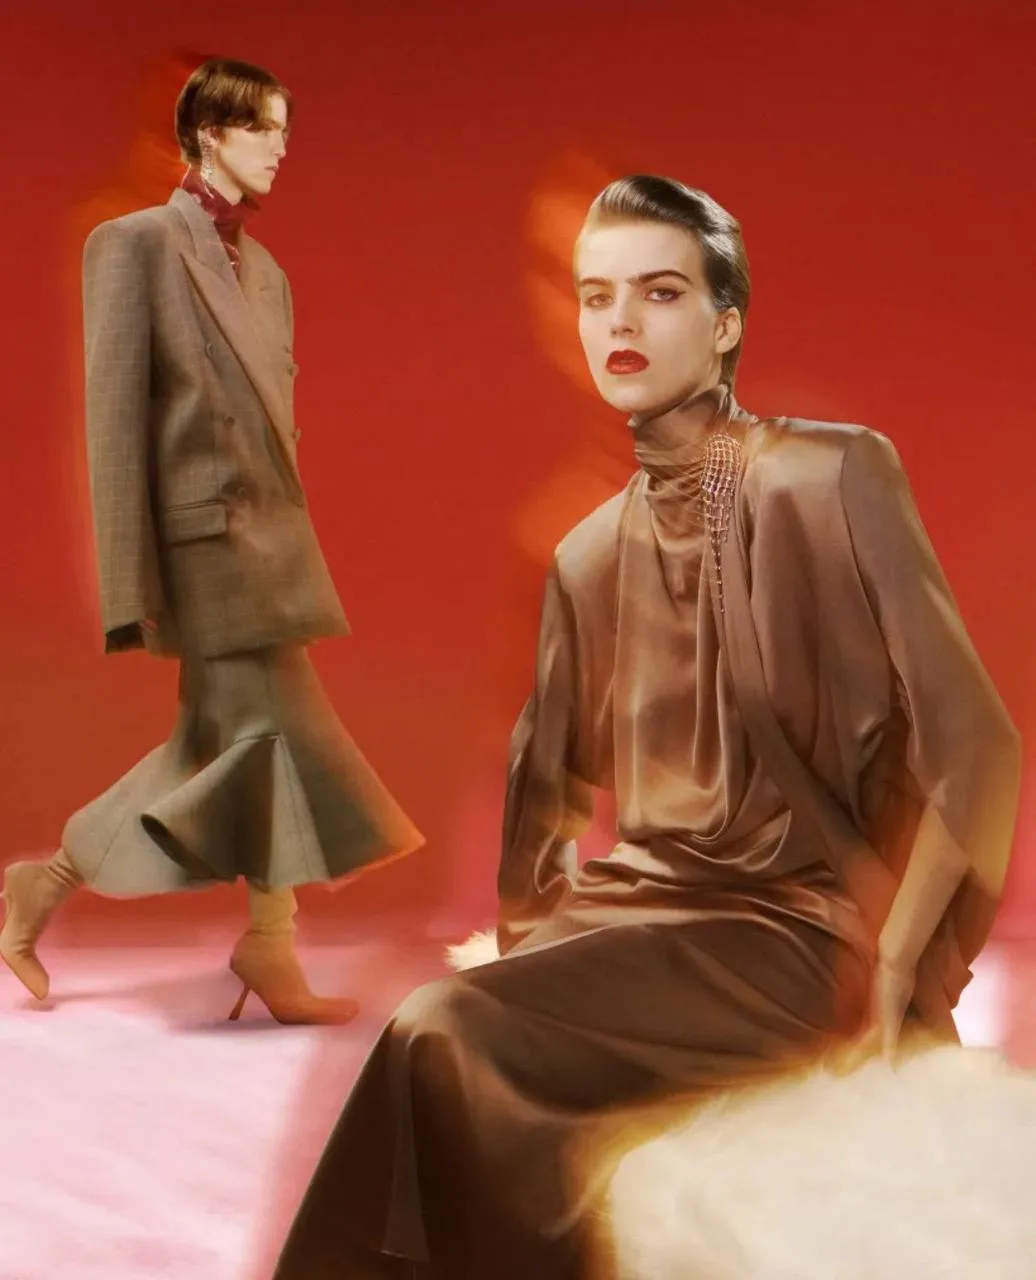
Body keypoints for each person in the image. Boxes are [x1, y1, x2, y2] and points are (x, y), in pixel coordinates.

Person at [271, 176, 1021, 1276]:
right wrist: (543, 946)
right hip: (637, 920)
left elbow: (978, 746)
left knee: (438, 1027)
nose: (619, 321)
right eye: (596, 296)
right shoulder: (583, 556)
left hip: (792, 932)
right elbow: (541, 807)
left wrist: (904, 958)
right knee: (453, 1039)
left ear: (725, 325)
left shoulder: (831, 475)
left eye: (659, 292)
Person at [0, 58, 423, 1025]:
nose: (280, 148)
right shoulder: (134, 245)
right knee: (265, 736)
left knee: (233, 743)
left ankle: (72, 892)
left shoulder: (267, 274)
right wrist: (128, 588)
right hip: (203, 551)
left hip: (272, 548)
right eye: (263, 128)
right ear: (209, 135)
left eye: (285, 130)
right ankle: (253, 938)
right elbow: (114, 423)